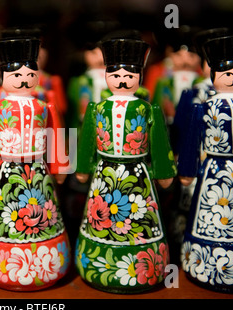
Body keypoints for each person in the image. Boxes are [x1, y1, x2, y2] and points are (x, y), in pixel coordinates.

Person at [75, 37, 177, 293]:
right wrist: (83, 169)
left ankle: (147, 266)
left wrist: (164, 172)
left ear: (140, 76)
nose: (122, 80)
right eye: (116, 74)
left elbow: (160, 143)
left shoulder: (147, 108)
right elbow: (87, 141)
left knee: (141, 219)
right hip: (105, 174)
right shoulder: (97, 108)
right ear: (107, 75)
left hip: (138, 175)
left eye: (130, 75)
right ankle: (97, 264)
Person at [0, 36, 71, 291]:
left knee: (44, 214)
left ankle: (48, 263)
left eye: (30, 73)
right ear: (3, 76)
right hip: (7, 172)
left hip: (38, 172)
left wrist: (59, 167)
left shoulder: (44, 105)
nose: (24, 79)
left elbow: (56, 135)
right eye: (16, 75)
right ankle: (2, 263)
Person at [178, 34, 233, 293]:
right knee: (207, 213)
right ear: (214, 74)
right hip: (213, 173)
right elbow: (190, 141)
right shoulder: (204, 107)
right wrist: (186, 170)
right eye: (227, 72)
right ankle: (201, 262)